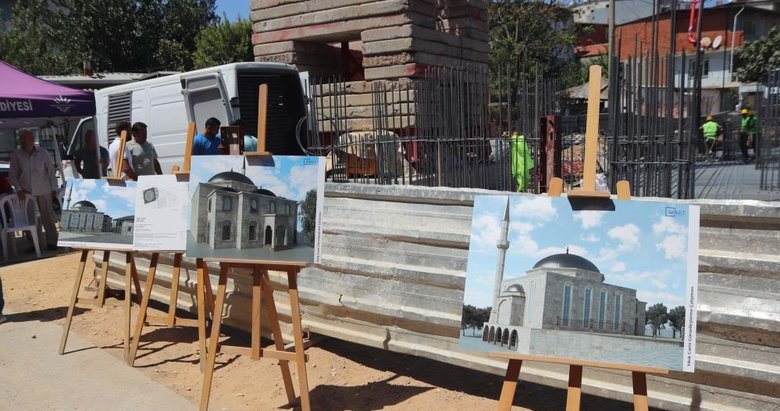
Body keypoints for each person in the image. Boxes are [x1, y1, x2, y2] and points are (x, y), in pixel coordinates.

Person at [9, 129, 59, 250]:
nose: (22, 141)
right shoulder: (16, 155)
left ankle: (52, 242)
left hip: (44, 189)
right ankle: (34, 244)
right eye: (21, 138)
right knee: (30, 218)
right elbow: (12, 175)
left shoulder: (43, 153)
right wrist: (19, 189)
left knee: (47, 217)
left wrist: (53, 189)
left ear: (31, 139)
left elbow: (51, 172)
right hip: (26, 192)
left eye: (24, 138)